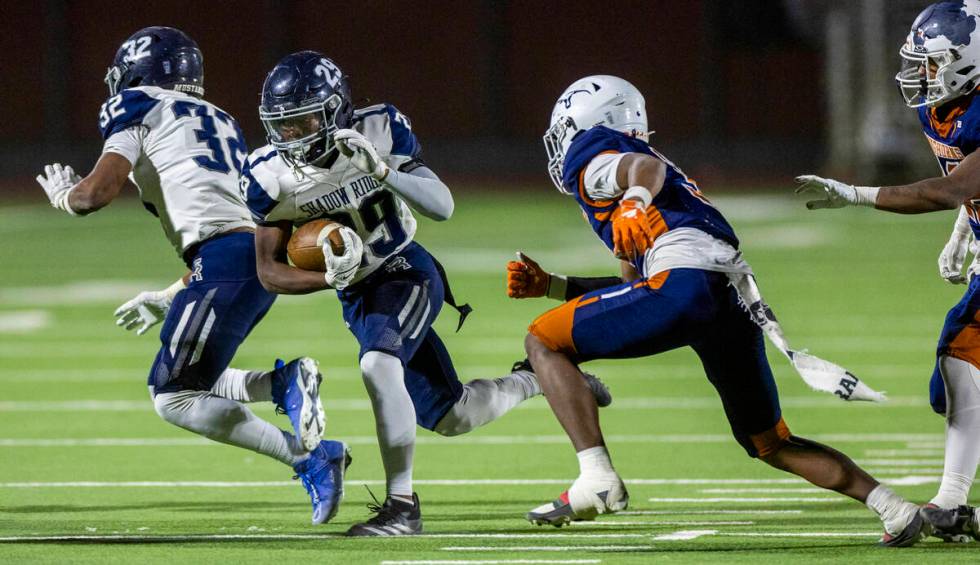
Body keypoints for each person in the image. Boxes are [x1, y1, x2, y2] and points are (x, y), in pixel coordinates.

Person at [510, 74, 930, 546]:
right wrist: (555, 286)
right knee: (770, 443)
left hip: (687, 283)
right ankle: (895, 509)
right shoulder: (651, 192)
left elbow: (642, 170)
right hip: (723, 294)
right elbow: (640, 289)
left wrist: (633, 199)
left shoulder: (596, 157)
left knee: (542, 341)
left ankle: (597, 478)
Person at [242, 51, 611, 537]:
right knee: (453, 415)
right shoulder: (268, 175)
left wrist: (383, 172)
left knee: (378, 364)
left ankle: (401, 508)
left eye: (303, 121)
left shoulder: (378, 130)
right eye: (282, 125)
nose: (292, 135)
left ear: (335, 111)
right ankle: (540, 381)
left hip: (404, 270)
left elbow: (443, 206)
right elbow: (269, 272)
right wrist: (330, 278)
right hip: (358, 292)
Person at [33, 27, 348, 525]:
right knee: (189, 379)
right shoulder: (218, 118)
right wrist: (168, 294)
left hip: (226, 259)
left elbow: (97, 192)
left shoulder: (134, 105)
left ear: (136, 73)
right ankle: (281, 387)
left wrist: (66, 198)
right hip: (248, 256)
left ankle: (308, 451)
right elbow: (223, 214)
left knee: (173, 396)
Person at [795, 0, 980, 543]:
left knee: (961, 356)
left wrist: (853, 193)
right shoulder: (943, 107)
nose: (920, 74)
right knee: (955, 379)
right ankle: (954, 504)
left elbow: (947, 189)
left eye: (933, 62)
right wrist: (968, 229)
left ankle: (951, 501)